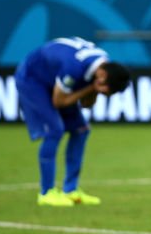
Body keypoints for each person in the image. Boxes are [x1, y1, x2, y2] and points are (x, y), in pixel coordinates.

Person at [15, 38, 131, 207]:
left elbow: (86, 104)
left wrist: (93, 89)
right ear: (103, 75)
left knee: (81, 130)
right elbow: (58, 102)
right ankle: (46, 193)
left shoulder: (103, 68)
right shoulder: (74, 68)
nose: (103, 94)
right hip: (33, 78)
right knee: (55, 130)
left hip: (54, 79)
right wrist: (92, 88)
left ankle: (70, 190)